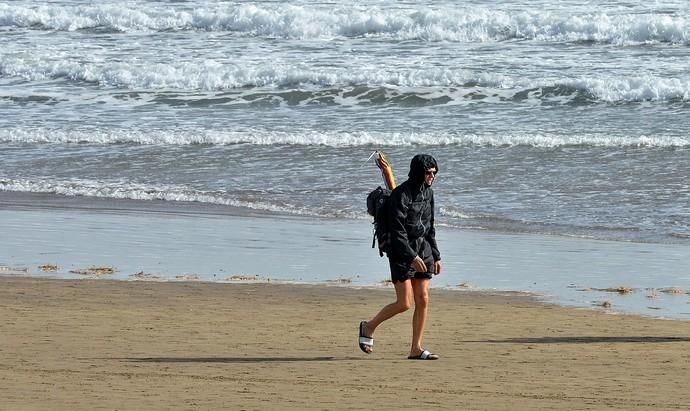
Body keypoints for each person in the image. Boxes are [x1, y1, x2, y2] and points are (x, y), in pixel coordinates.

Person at [359, 154, 442, 360]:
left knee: (423, 299)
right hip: (401, 251)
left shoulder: (429, 194)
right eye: (428, 172)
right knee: (404, 303)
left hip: (424, 249)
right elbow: (397, 232)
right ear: (418, 173)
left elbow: (430, 227)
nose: (432, 176)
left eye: (434, 172)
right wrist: (411, 256)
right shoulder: (401, 195)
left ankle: (416, 348)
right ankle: (368, 327)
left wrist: (437, 255)